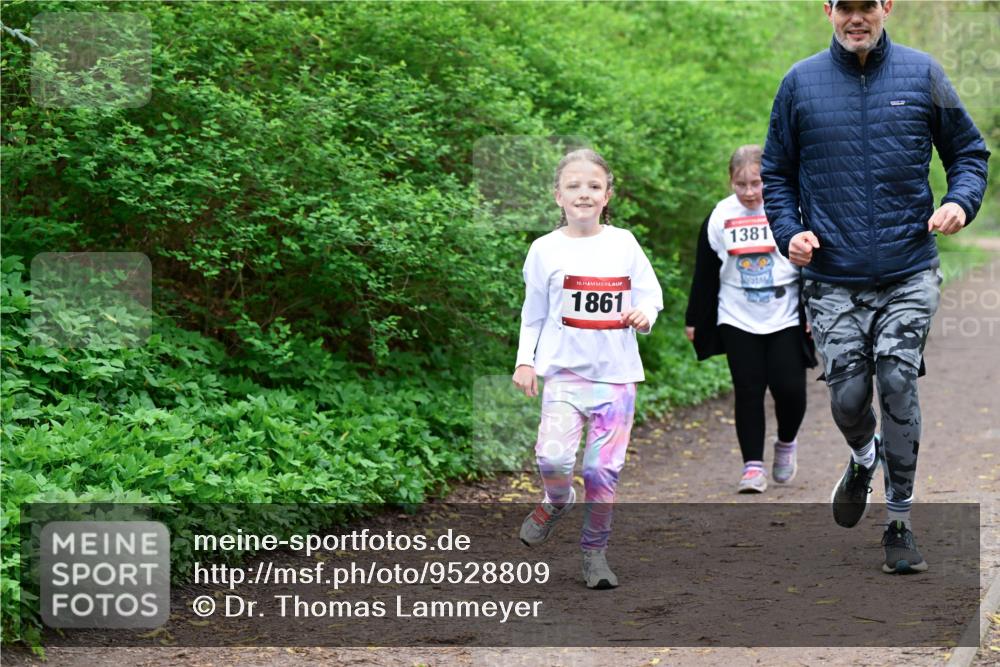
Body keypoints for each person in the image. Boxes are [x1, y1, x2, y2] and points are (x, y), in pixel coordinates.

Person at [762, 0, 989, 573]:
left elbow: (968, 151)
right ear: (829, 11)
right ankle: (864, 458)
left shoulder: (923, 74)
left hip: (908, 268)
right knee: (848, 397)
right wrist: (790, 232)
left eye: (868, 6)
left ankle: (900, 522)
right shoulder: (799, 83)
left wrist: (960, 200)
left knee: (896, 377)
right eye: (846, 8)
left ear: (887, 7)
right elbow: (776, 173)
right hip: (832, 276)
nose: (856, 17)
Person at [512, 148, 663, 589]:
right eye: (574, 186)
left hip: (615, 378)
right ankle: (557, 501)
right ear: (558, 195)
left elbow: (651, 295)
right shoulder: (544, 250)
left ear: (607, 195)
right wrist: (525, 360)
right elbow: (533, 313)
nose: (584, 193)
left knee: (602, 471)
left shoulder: (624, 244)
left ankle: (594, 555)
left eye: (593, 186)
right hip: (563, 376)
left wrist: (644, 315)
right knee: (552, 458)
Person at [685, 145, 816, 494]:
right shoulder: (720, 217)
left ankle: (786, 442)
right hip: (736, 313)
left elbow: (814, 262)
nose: (749, 192)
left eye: (756, 183)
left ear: (768, 180)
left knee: (790, 390)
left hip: (785, 312)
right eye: (740, 184)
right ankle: (752, 467)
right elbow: (706, 272)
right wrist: (695, 318)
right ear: (730, 181)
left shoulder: (790, 208)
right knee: (748, 390)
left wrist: (814, 310)